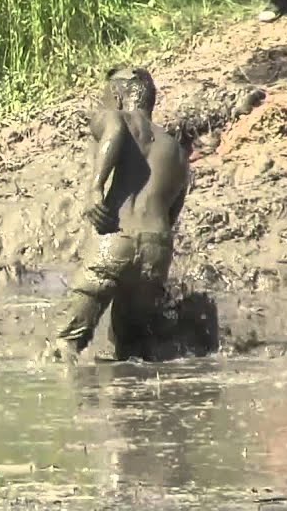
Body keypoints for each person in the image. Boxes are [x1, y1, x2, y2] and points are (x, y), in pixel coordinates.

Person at [55, 67, 190, 365]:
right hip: (157, 250)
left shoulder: (116, 117)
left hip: (115, 241)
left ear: (116, 97)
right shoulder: (179, 152)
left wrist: (95, 187)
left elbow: (114, 129)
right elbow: (172, 214)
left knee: (64, 345)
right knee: (130, 355)